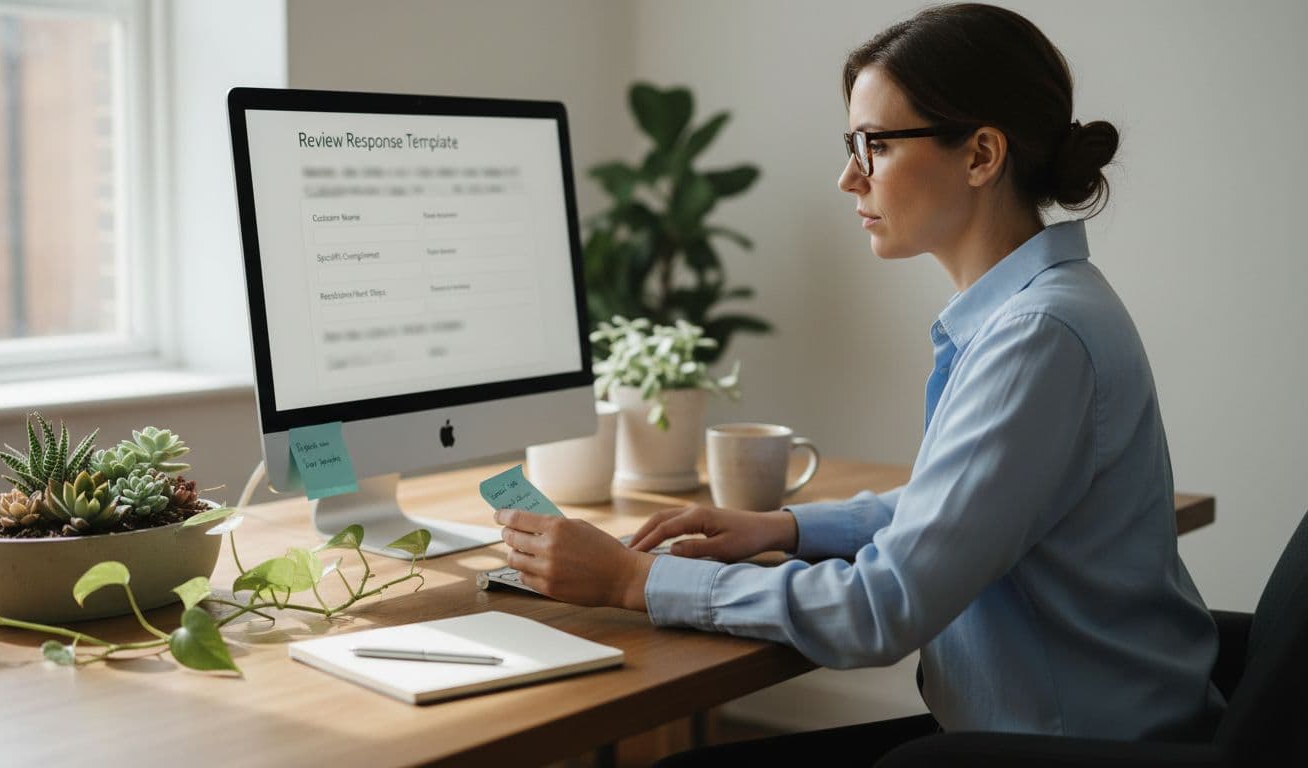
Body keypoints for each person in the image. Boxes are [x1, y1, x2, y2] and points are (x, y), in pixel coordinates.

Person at [494, 3, 1225, 760]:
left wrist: (630, 581)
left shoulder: (1038, 338)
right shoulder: (1048, 309)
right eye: (853, 144)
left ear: (980, 155)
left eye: (875, 145)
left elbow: (881, 608)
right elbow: (965, 508)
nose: (849, 177)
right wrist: (788, 527)